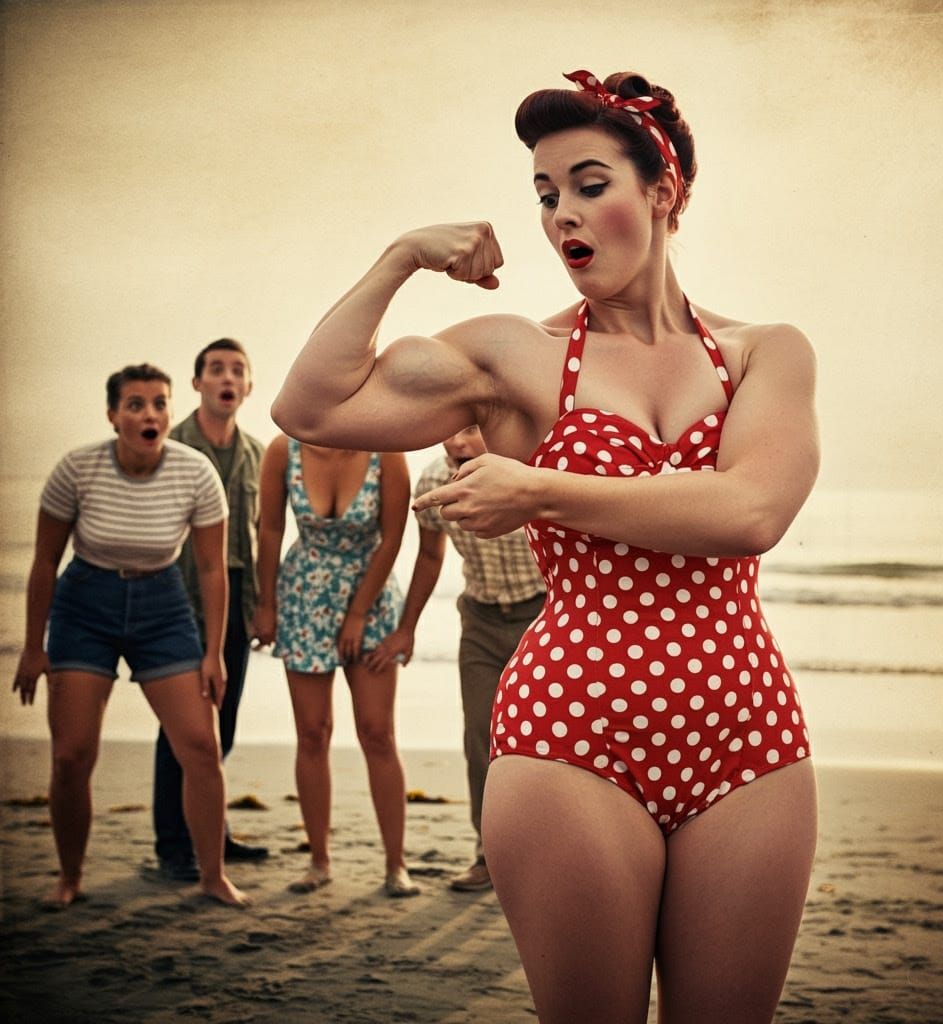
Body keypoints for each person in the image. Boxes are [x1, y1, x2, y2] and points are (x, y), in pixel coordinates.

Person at [272, 68, 819, 1022]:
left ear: (663, 190)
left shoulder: (763, 353)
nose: (561, 213)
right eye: (545, 194)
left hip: (748, 736)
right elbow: (311, 403)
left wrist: (537, 487)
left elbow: (749, 512)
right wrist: (400, 257)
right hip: (571, 729)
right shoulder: (516, 354)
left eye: (588, 184)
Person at [12, 364, 248, 908]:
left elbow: (212, 569)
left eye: (159, 404)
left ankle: (212, 875)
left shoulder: (195, 473)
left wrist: (213, 654)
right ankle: (69, 878)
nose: (150, 414)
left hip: (162, 605)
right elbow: (46, 559)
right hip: (84, 605)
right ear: (113, 415)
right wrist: (33, 645)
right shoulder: (77, 469)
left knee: (201, 745)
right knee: (72, 755)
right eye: (136, 404)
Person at [367, 426, 545, 892]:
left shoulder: (532, 471)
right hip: (481, 622)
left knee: (553, 743)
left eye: (470, 432)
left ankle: (557, 855)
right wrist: (406, 628)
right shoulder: (431, 485)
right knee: (481, 737)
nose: (457, 443)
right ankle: (489, 857)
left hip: (545, 614)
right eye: (449, 432)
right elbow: (429, 557)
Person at [253, 438, 420, 897]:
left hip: (370, 592)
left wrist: (359, 613)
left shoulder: (387, 451)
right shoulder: (280, 453)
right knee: (312, 732)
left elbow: (393, 539)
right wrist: (265, 603)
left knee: (377, 732)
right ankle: (319, 861)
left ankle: (395, 864)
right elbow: (269, 530)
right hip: (304, 594)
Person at [152, 338, 268, 881]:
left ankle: (211, 834)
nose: (227, 377)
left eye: (237, 370)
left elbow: (262, 533)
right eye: (216, 369)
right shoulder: (171, 446)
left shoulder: (256, 454)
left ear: (247, 386)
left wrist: (264, 605)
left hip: (236, 598)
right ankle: (174, 845)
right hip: (177, 598)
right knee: (179, 727)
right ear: (197, 383)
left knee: (221, 723)